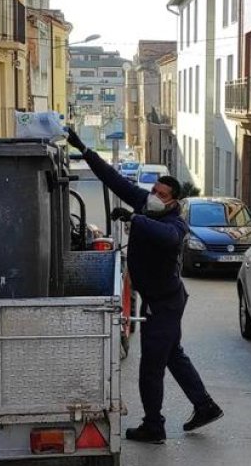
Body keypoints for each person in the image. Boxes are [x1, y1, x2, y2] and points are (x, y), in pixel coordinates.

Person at [65, 127, 223, 443]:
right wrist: (83, 148)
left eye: (161, 194)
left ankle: (154, 425)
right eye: (153, 190)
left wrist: (134, 220)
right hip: (161, 300)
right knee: (173, 355)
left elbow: (168, 239)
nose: (154, 196)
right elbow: (114, 179)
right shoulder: (146, 203)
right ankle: (204, 406)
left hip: (165, 303)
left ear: (174, 201)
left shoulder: (175, 223)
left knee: (151, 366)